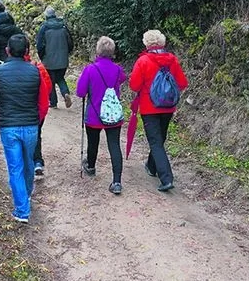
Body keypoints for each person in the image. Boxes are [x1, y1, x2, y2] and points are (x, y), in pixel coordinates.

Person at [0, 34, 50, 223]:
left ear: (7, 50)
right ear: (27, 52)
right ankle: (26, 196)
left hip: (9, 127)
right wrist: (36, 120)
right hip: (31, 126)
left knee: (15, 168)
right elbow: (44, 102)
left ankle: (22, 210)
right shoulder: (35, 71)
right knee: (28, 162)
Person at [129, 29, 188, 192]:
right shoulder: (172, 60)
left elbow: (134, 85)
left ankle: (166, 178)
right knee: (159, 139)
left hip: (149, 108)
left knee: (155, 141)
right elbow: (182, 83)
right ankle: (151, 166)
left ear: (147, 44)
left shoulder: (143, 61)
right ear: (162, 42)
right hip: (168, 107)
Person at [76, 36, 127, 195]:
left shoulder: (90, 69)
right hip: (113, 114)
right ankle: (117, 182)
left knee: (93, 142)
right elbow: (123, 79)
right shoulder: (118, 69)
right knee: (114, 145)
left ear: (98, 51)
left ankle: (91, 166)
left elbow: (80, 92)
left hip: (94, 115)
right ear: (112, 52)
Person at [36, 7, 74, 108]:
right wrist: (66, 53)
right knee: (60, 78)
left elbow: (40, 45)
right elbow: (70, 43)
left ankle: (53, 103)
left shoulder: (44, 28)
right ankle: (65, 93)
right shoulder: (63, 26)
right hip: (63, 60)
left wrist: (42, 56)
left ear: (46, 16)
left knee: (50, 81)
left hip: (49, 60)